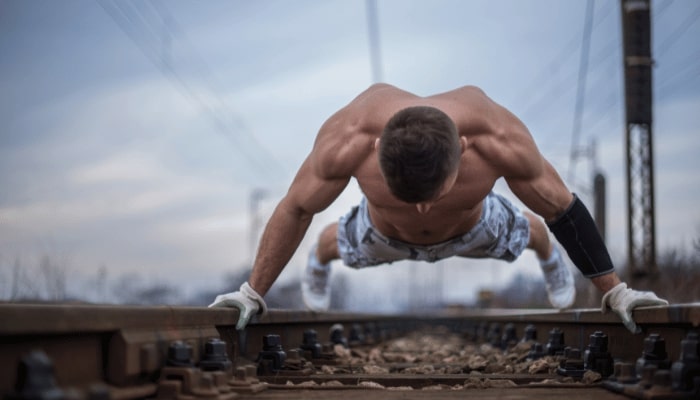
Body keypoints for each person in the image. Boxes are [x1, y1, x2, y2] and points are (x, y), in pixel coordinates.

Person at [209, 83, 668, 333]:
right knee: (331, 244)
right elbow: (296, 208)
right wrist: (251, 293)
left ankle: (547, 259)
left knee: (534, 231)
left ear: (465, 148)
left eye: (434, 194)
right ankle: (320, 265)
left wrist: (616, 291)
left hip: (476, 226)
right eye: (413, 197)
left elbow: (561, 209)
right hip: (382, 232)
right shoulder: (347, 139)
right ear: (375, 148)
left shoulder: (498, 139)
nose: (425, 209)